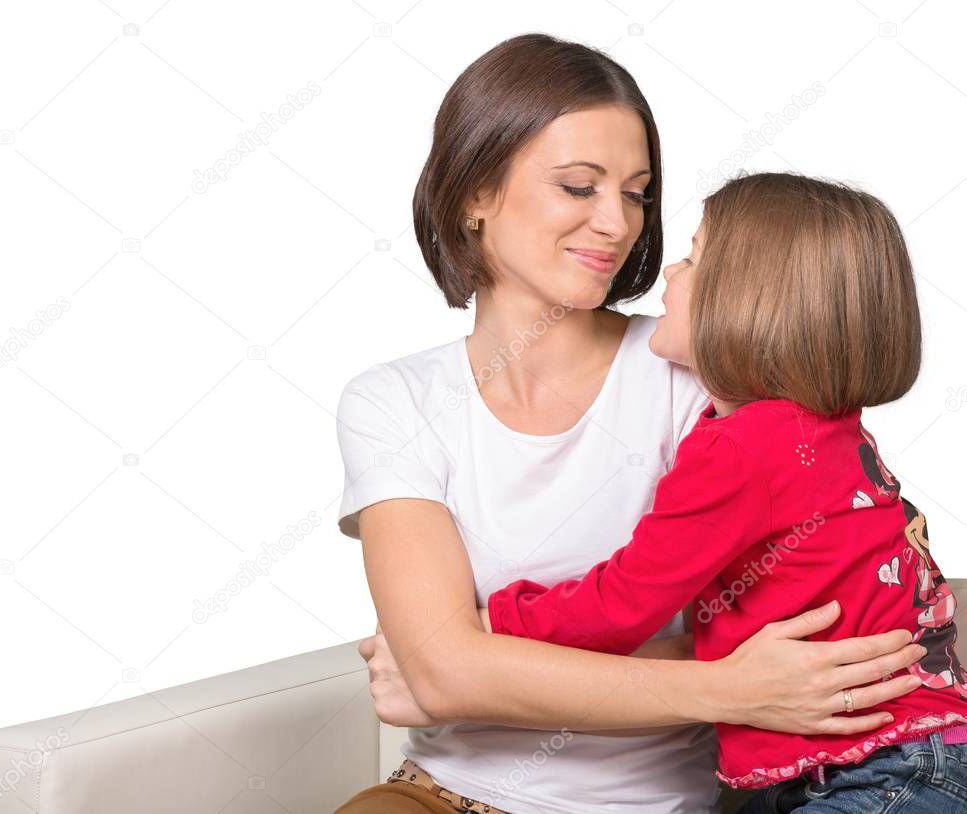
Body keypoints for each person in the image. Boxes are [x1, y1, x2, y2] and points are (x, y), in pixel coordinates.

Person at [334, 33, 925, 814]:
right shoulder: (392, 401)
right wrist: (727, 683)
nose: (617, 223)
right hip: (445, 794)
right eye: (579, 186)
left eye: (637, 192)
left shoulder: (702, 366)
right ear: (474, 194)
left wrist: (483, 667)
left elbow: (821, 599)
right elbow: (443, 673)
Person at [482, 172, 967, 812]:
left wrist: (497, 620)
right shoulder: (823, 430)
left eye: (692, 256)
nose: (667, 275)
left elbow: (625, 602)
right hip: (875, 760)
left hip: (882, 770)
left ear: (750, 301)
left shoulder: (740, 449)